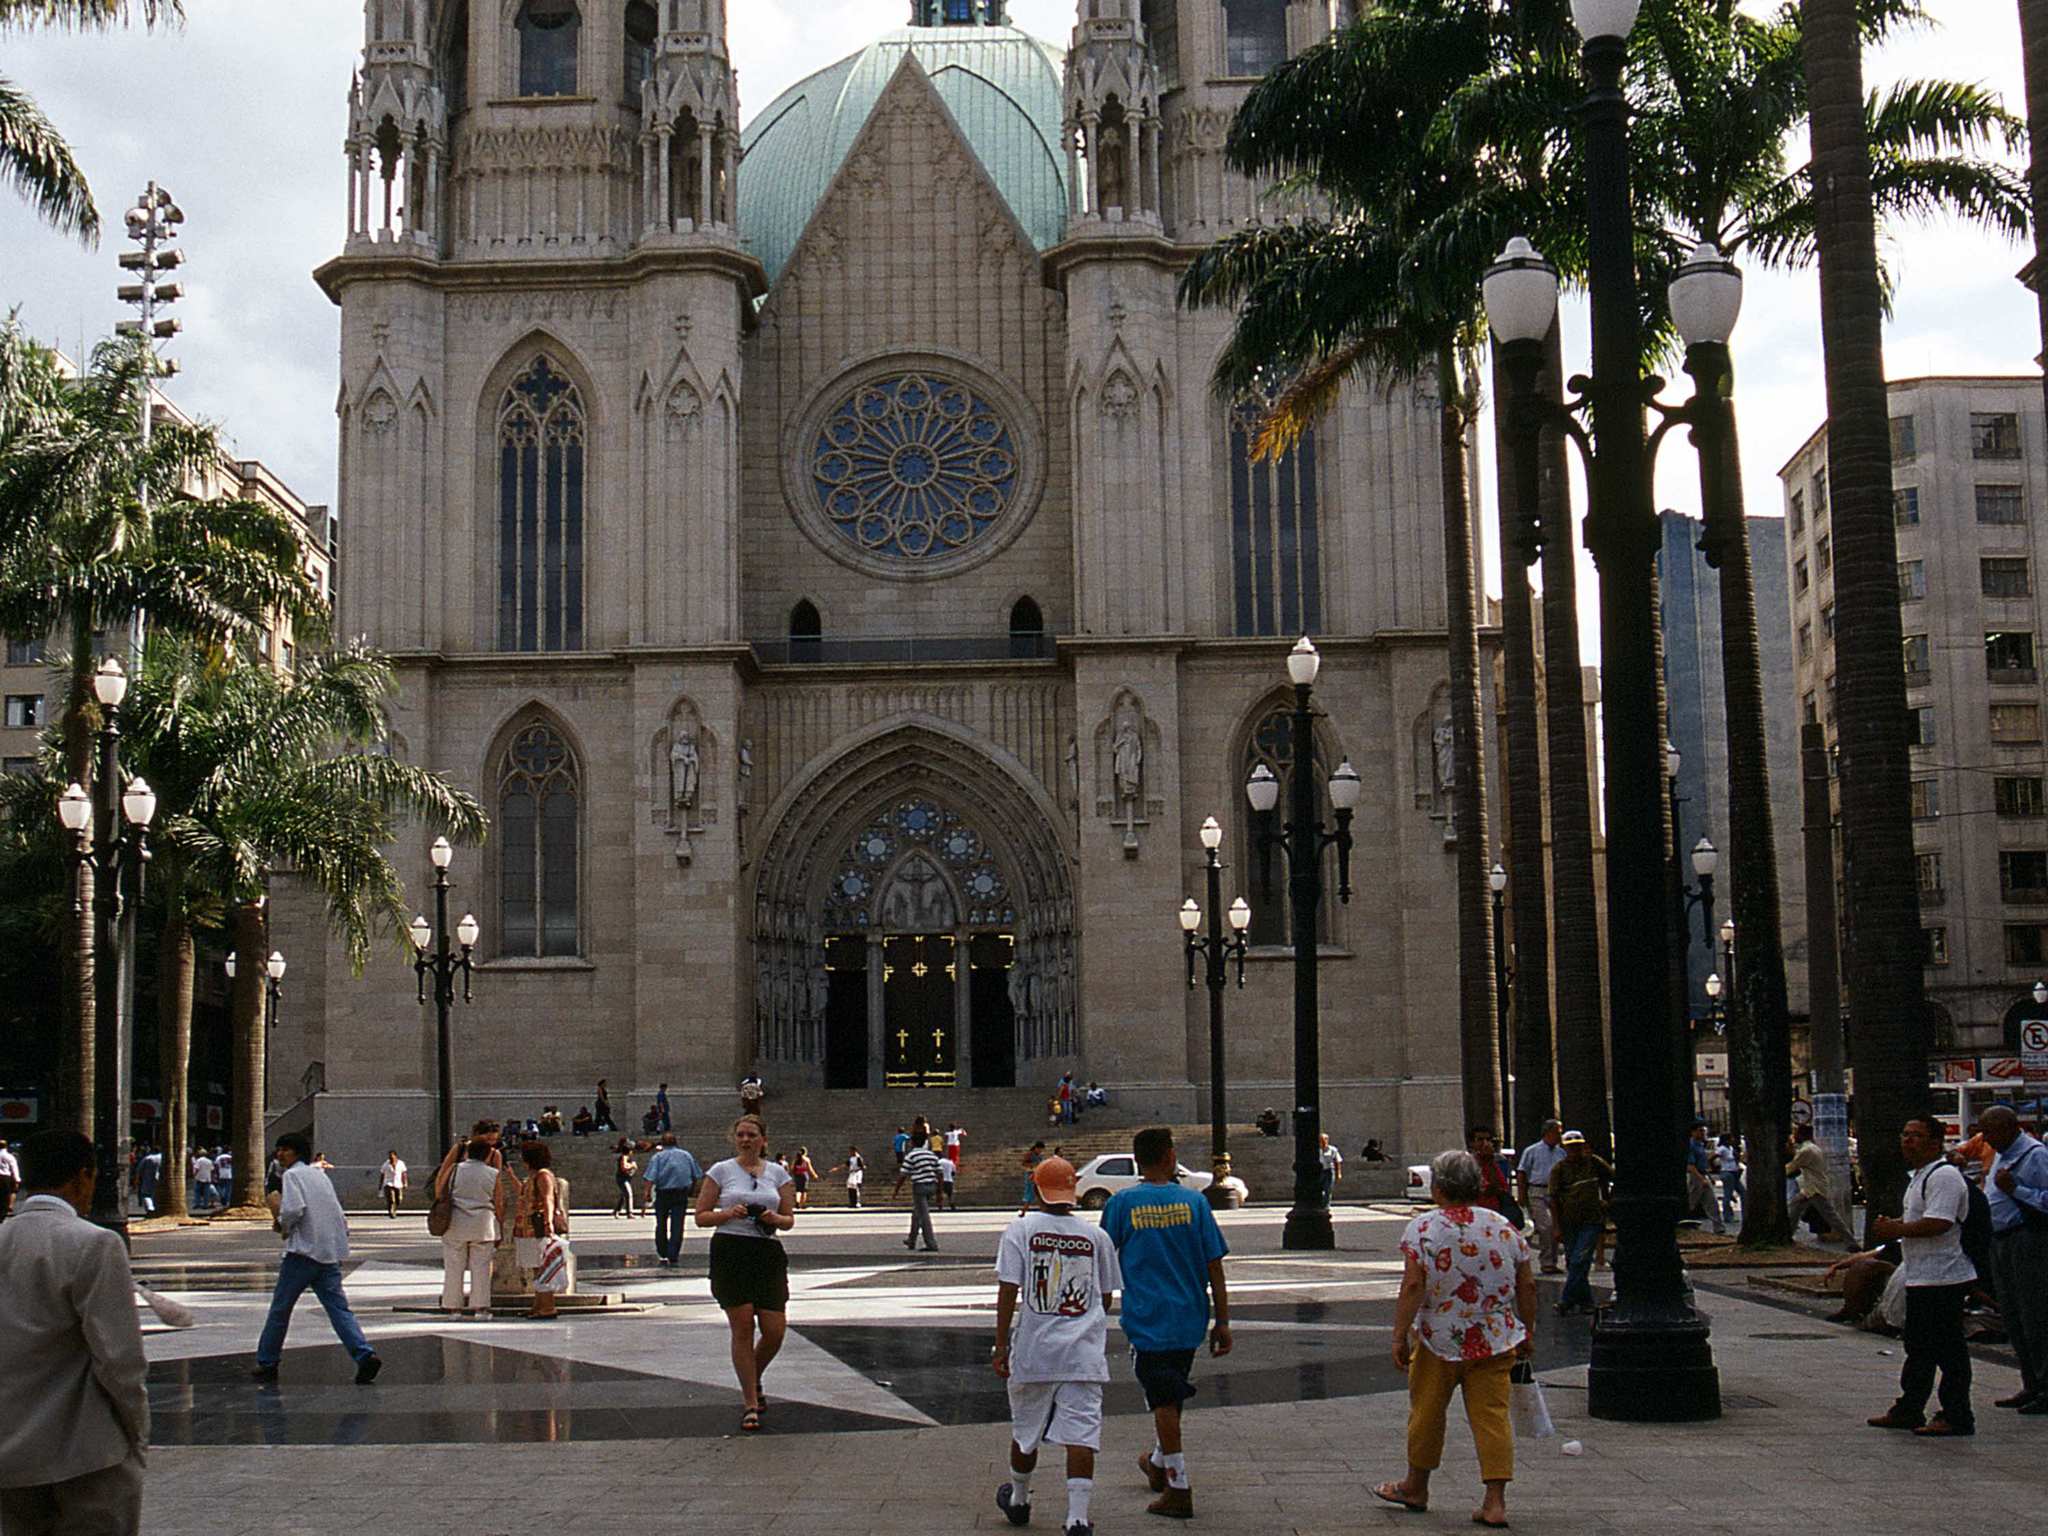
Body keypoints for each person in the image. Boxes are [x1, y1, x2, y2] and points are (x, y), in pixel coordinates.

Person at [1373, 1149, 1536, 1530]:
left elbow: (1414, 1284)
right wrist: (1527, 1329)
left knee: (1427, 1411)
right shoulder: (1502, 1226)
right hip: (1494, 1337)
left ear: (1438, 1186)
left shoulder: (1424, 1228)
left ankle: (1416, 1486)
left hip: (1438, 1338)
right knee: (1493, 1416)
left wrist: (1399, 1334)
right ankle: (1494, 1501)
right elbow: (1527, 1284)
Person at [0, 1130, 149, 1535]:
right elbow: (120, 1358)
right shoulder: (94, 1244)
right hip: (86, 1449)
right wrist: (137, 1431)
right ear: (83, 1176)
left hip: (10, 1452)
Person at [1102, 1128, 1232, 1521]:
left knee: (1161, 1399)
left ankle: (1178, 1484)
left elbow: (1104, 1262)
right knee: (1169, 1394)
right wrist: (1222, 1320)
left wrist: (1099, 1309)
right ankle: (1158, 1462)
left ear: (1138, 1159)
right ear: (1171, 1156)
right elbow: (1215, 1265)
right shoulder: (1195, 1202)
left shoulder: (1122, 1203)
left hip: (1147, 1319)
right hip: (1190, 1317)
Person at [991, 1156, 1121, 1536]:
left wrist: (1001, 1345)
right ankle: (1077, 1518)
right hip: (1082, 1354)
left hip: (1034, 1350)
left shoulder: (1020, 1230)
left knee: (1026, 1428)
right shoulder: (1097, 1236)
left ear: (1036, 1188)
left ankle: (1018, 1498)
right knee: (1081, 1434)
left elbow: (1008, 1289)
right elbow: (1106, 1296)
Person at [1852, 1113, 1977, 1436]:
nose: (1908, 1141)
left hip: (1943, 1276)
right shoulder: (1920, 1176)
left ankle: (1956, 1413)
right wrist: (1897, 1225)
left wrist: (1898, 1228)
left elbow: (1939, 1222)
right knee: (1919, 1347)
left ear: (1935, 1142)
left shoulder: (1944, 1176)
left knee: (1948, 1350)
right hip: (1922, 1275)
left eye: (1916, 1135)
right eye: (1905, 1134)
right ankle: (1910, 1407)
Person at [253, 1132, 381, 1384]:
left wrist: (281, 1223)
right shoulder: (319, 1176)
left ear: (297, 1153)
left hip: (302, 1253)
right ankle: (363, 1354)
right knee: (338, 1309)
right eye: (278, 1149)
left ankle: (267, 1362)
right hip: (328, 1254)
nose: (280, 1154)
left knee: (280, 1309)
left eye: (285, 1150)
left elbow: (293, 1209)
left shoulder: (292, 1175)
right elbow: (335, 1210)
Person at [694, 1115, 795, 1432]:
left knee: (775, 1330)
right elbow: (701, 1216)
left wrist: (772, 1217)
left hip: (766, 1253)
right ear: (733, 1138)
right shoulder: (721, 1171)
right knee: (742, 1327)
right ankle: (751, 1402)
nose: (746, 1139)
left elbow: (789, 1219)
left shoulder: (779, 1174)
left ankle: (754, 1375)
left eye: (752, 1134)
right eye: (740, 1134)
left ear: (764, 1139)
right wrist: (728, 1213)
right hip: (731, 1250)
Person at [1974, 1105, 2048, 1413]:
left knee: (2035, 1315)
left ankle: (2045, 1385)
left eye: (1989, 1131)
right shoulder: (2002, 1154)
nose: (1984, 1138)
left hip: (2027, 1238)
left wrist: (2015, 1189)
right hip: (2001, 1240)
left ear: (2008, 1127)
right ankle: (2030, 1383)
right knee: (2014, 1316)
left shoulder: (2035, 1155)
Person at [438, 1135, 503, 1314]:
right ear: (487, 1154)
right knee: (481, 1267)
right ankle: (480, 1308)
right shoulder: (493, 1174)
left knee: (453, 1266)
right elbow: (499, 1202)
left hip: (456, 1222)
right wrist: (501, 1225)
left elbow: (440, 1191)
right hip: (483, 1223)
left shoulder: (454, 1169)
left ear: (468, 1152)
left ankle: (453, 1308)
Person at [1548, 1129, 1610, 1315]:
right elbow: (1553, 1199)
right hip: (1569, 1222)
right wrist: (1557, 1226)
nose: (1575, 1151)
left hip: (1591, 1220)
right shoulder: (1559, 1169)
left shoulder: (1594, 1163)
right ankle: (1585, 1301)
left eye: (1578, 1146)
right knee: (1574, 1262)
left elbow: (1612, 1175)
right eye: (1571, 1148)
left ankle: (1566, 1300)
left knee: (1579, 1259)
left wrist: (1607, 1201)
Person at [513, 1139, 570, 1318]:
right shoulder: (533, 1177)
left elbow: (548, 1199)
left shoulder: (544, 1175)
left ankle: (547, 1307)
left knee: (542, 1268)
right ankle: (538, 1305)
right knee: (536, 1268)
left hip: (537, 1226)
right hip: (527, 1227)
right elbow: (523, 1193)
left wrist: (548, 1223)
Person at [643, 1132, 704, 1268]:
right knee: (678, 1224)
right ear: (676, 1142)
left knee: (661, 1223)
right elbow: (696, 1175)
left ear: (662, 1144)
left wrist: (647, 1192)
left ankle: (662, 1251)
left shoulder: (657, 1157)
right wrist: (693, 1189)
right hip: (680, 1193)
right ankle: (673, 1253)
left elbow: (650, 1177)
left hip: (663, 1193)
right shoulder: (686, 1155)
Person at [1515, 1120, 1566, 1274]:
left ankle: (1552, 1261)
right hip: (1537, 1191)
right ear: (1548, 1132)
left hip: (1555, 1193)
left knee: (1556, 1226)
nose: (1560, 1135)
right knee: (1546, 1226)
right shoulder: (1532, 1151)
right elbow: (1522, 1172)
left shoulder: (1561, 1153)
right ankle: (1546, 1261)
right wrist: (1522, 1195)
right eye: (1558, 1132)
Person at [1786, 1128, 1851, 1245]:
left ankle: (1851, 1242)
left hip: (1814, 1188)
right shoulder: (1814, 1148)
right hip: (1811, 1188)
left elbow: (1792, 1166)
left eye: (1795, 1134)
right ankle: (1787, 1236)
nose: (1794, 1137)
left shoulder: (1806, 1151)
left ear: (1800, 1136)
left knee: (1832, 1217)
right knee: (1794, 1209)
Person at [896, 1120, 944, 1251]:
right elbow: (940, 1173)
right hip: (932, 1186)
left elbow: (903, 1175)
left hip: (919, 1187)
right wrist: (939, 1193)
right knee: (917, 1212)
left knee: (924, 1215)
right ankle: (911, 1240)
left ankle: (931, 1244)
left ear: (912, 1143)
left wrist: (896, 1190)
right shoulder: (931, 1155)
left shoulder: (911, 1156)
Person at [1468, 1127, 1517, 1226]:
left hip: (1495, 1213)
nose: (1485, 1143)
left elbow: (1503, 1188)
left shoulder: (1495, 1162)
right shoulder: (1468, 1163)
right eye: (1480, 1140)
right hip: (1475, 1214)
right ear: (1472, 1143)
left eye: (1488, 1140)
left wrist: (1489, 1160)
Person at [1686, 1121, 1724, 1235]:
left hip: (1703, 1175)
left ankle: (1719, 1228)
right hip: (1695, 1176)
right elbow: (1690, 1165)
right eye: (1700, 1131)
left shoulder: (1700, 1145)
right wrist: (1701, 1178)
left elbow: (1704, 1163)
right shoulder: (1691, 1146)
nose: (1703, 1133)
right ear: (1693, 1132)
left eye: (1704, 1131)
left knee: (1711, 1202)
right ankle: (1684, 1222)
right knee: (1692, 1201)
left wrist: (1708, 1177)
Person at [1716, 1133, 1745, 1229]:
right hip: (1727, 1173)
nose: (1733, 1140)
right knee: (1727, 1194)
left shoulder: (1731, 1148)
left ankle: (1745, 1213)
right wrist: (1716, 1168)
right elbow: (1713, 1157)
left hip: (1735, 1173)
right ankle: (1727, 1216)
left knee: (1743, 1192)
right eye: (1731, 1138)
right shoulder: (1722, 1149)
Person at [612, 1139, 640, 1218]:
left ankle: (616, 1211)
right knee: (628, 1194)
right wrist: (632, 1166)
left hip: (626, 1178)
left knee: (624, 1195)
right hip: (622, 1179)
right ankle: (629, 1213)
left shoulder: (628, 1157)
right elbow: (624, 1167)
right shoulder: (624, 1157)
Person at [378, 1149, 408, 1218]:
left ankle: (394, 1208)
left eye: (392, 1156)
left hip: (398, 1184)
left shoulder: (401, 1163)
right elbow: (382, 1174)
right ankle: (391, 1212)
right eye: (389, 1157)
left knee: (399, 1199)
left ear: (395, 1156)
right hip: (389, 1184)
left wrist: (405, 1182)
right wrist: (381, 1184)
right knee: (392, 1199)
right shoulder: (386, 1164)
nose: (391, 1158)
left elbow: (404, 1173)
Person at [1019, 1140, 1047, 1213]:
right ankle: (1024, 1210)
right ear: (1036, 1148)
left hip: (1038, 1175)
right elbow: (1024, 1163)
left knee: (1040, 1193)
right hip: (1030, 1175)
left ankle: (1043, 1210)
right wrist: (1033, 1165)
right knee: (1030, 1193)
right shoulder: (1029, 1154)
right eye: (1040, 1149)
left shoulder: (1040, 1156)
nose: (1041, 1151)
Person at [134, 1146, 162, 1217]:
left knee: (146, 1195)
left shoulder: (147, 1158)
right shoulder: (162, 1157)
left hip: (148, 1179)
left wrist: (137, 1180)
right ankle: (156, 1209)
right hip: (161, 1179)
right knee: (155, 1195)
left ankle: (150, 1209)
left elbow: (139, 1170)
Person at [1318, 1132, 1344, 1202]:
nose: (1323, 1142)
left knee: (1328, 1189)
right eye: (1321, 1140)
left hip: (1329, 1170)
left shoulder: (1333, 1150)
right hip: (1319, 1171)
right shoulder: (1316, 1150)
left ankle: (1326, 1206)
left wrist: (1338, 1173)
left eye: (1325, 1139)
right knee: (1318, 1189)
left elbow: (1337, 1161)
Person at [190, 1147, 215, 1213]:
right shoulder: (209, 1161)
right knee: (206, 1192)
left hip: (199, 1178)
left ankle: (197, 1204)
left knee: (197, 1192)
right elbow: (212, 1170)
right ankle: (205, 1205)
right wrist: (212, 1178)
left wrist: (194, 1175)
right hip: (207, 1178)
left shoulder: (199, 1160)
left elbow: (197, 1169)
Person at [939, 1143, 959, 1212]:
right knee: (950, 1194)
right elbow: (953, 1172)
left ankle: (940, 1207)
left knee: (940, 1193)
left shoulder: (939, 1162)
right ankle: (952, 1206)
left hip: (941, 1180)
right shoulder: (951, 1162)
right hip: (949, 1180)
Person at [0, 1138, 17, 1220]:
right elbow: (14, 1168)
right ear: (6, 1146)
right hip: (6, 1177)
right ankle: (7, 1208)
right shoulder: (9, 1156)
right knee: (7, 1193)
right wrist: (17, 1179)